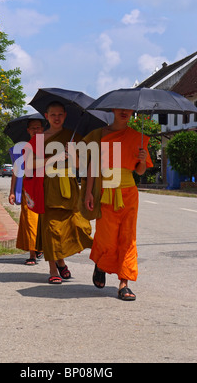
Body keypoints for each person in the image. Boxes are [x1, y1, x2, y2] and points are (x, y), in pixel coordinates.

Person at [81, 109, 153, 300]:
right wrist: (89, 191)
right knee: (106, 237)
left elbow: (139, 171)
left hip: (129, 192)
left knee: (128, 238)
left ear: (132, 112)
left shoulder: (138, 138)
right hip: (105, 191)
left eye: (128, 110)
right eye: (120, 109)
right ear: (112, 110)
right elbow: (92, 165)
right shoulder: (100, 135)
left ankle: (124, 283)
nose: (124, 112)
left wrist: (143, 159)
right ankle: (101, 263)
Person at [24, 101, 93, 284]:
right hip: (47, 187)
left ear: (65, 116)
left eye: (60, 114)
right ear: (46, 116)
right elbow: (29, 165)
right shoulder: (38, 139)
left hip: (69, 187)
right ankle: (53, 268)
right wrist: (54, 157)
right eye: (53, 114)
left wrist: (73, 156)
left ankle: (61, 261)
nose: (57, 118)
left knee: (79, 226)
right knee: (52, 229)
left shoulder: (74, 137)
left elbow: (83, 165)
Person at [8, 118, 44, 265]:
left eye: (38, 127)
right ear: (28, 131)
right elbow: (16, 171)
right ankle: (32, 253)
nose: (35, 130)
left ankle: (40, 246)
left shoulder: (48, 146)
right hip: (29, 189)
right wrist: (11, 191)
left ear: (43, 129)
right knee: (30, 221)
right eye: (32, 128)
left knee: (43, 221)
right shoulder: (23, 148)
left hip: (45, 187)